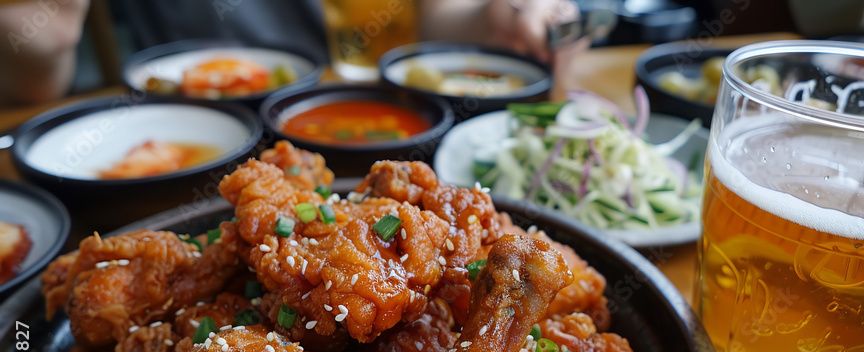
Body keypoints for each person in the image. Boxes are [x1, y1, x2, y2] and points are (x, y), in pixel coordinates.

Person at [0, 0, 580, 106]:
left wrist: (499, 16)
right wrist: (39, 39)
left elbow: (438, 15)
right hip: (182, 148)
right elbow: (32, 85)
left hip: (376, 114)